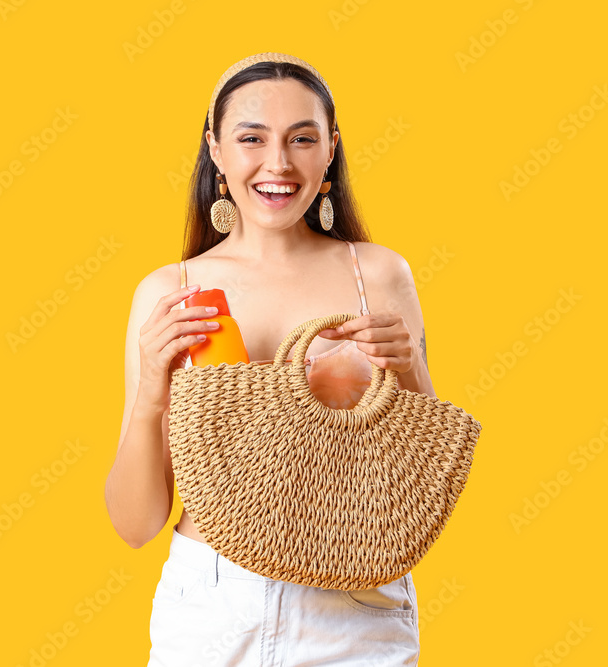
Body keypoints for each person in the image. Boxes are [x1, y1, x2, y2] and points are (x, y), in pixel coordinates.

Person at [104, 52, 437, 666]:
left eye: (302, 139)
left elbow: (420, 480)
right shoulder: (170, 291)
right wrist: (153, 387)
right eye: (251, 138)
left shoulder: (379, 275)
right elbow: (135, 524)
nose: (278, 163)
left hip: (353, 605)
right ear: (216, 150)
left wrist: (410, 368)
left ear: (331, 149)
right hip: (209, 608)